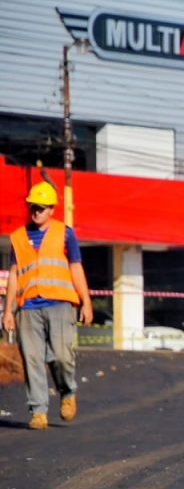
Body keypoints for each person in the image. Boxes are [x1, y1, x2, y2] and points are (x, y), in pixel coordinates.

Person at [2, 181, 93, 430]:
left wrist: (86, 301)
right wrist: (8, 310)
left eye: (41, 207)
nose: (36, 211)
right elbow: (14, 275)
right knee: (32, 359)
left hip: (60, 304)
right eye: (32, 206)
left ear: (52, 209)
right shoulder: (19, 238)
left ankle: (67, 392)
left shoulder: (65, 233)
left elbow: (76, 268)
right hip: (28, 306)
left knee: (62, 356)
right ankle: (38, 411)